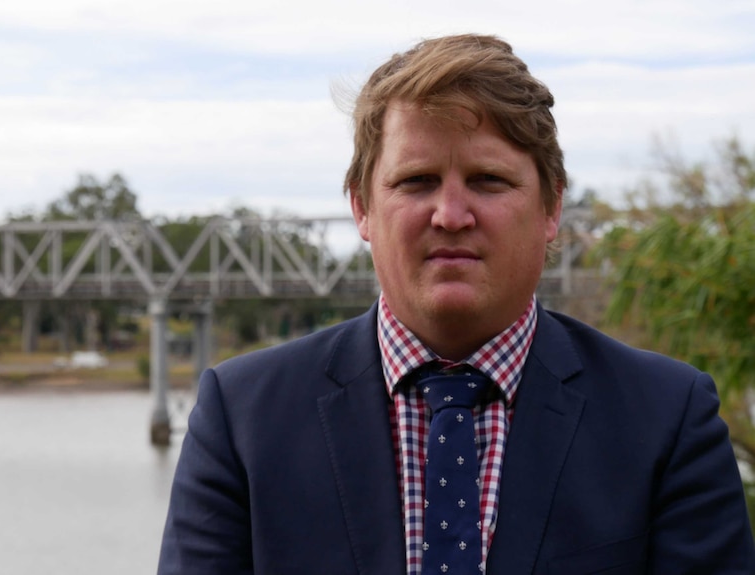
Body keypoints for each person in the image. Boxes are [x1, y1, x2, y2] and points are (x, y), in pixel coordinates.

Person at [157, 34, 755, 574]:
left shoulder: (668, 420)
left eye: (488, 181)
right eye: (415, 181)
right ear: (362, 208)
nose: (450, 214)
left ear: (550, 208)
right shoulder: (241, 420)